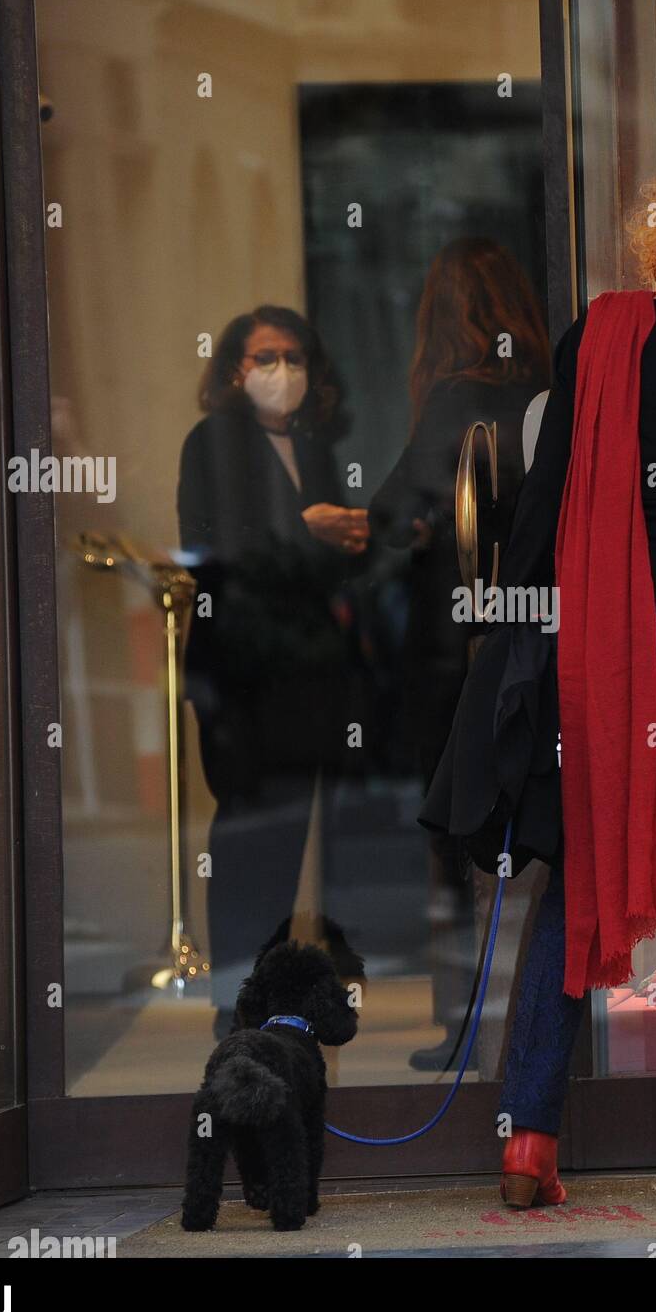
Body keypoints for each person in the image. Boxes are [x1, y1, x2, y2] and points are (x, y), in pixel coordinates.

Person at [424, 153, 656, 1207]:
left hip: (600, 638)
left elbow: (542, 505)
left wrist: (529, 638)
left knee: (576, 865)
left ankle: (529, 1139)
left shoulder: (599, 334)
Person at [371, 238, 551, 1070]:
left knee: (454, 835)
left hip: (458, 643)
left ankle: (465, 1025)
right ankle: (539, 1020)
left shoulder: (454, 399)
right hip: (538, 632)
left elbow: (398, 510)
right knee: (541, 830)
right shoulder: (549, 393)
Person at [178, 305, 368, 1038]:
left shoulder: (316, 446)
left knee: (289, 831)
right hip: (239, 670)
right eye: (264, 357)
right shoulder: (212, 442)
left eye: (293, 356)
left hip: (308, 671)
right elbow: (212, 550)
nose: (280, 371)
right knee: (244, 831)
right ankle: (235, 1001)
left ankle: (269, 993)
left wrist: (349, 538)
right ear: (234, 369)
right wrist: (306, 530)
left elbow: (314, 566)